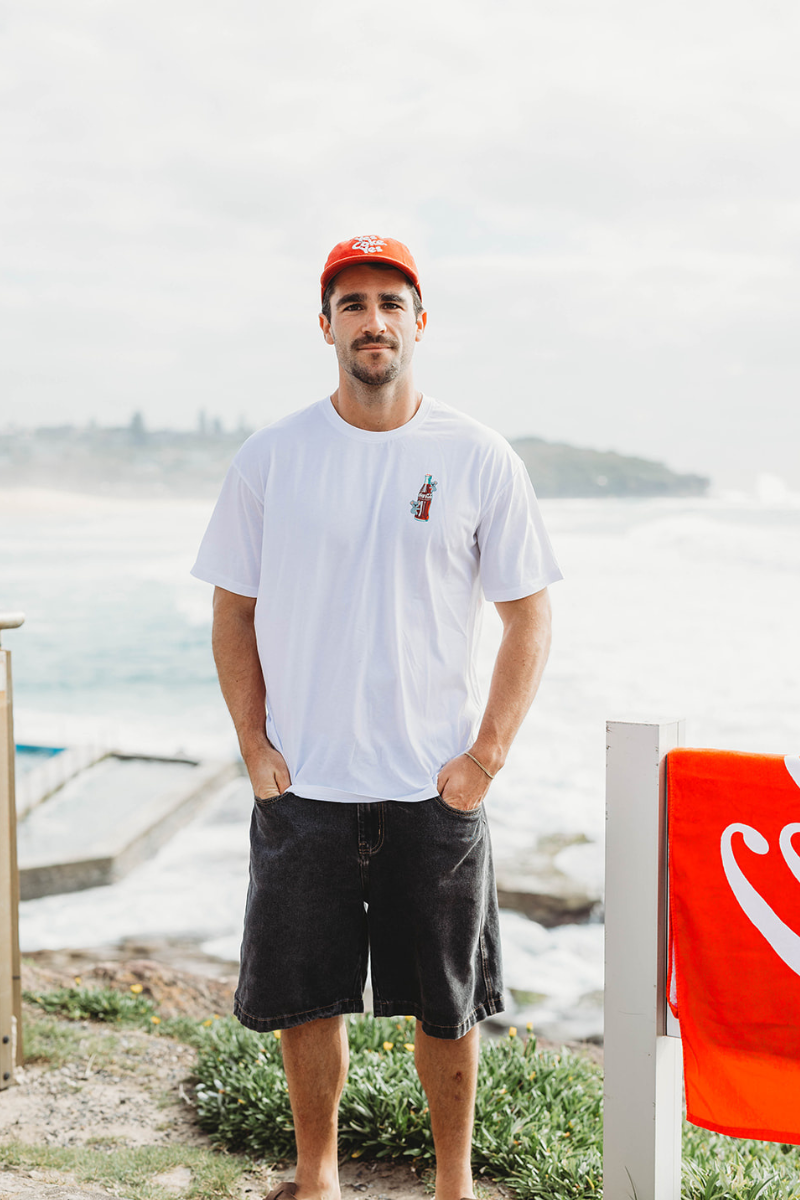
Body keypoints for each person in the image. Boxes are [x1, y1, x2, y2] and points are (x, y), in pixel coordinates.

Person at [191, 235, 562, 1200]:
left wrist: (484, 759)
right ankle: (317, 1179)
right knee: (307, 997)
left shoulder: (477, 456)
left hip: (433, 789)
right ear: (326, 326)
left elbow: (530, 616)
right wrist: (256, 747)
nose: (373, 321)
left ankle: (453, 1184)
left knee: (448, 1005)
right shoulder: (273, 457)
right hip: (306, 786)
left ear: (419, 321)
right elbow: (233, 610)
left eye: (391, 302)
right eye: (353, 304)